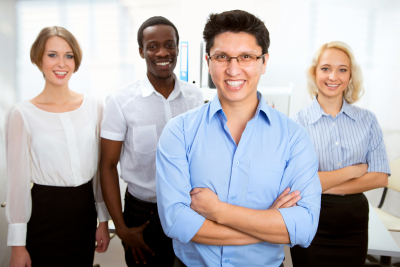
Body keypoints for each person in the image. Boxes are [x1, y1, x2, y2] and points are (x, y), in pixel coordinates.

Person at [156, 10, 322, 267]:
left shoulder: (294, 138)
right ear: (208, 61)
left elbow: (303, 228)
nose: (233, 70)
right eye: (222, 57)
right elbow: (177, 222)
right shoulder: (179, 132)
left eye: (246, 57)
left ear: (263, 62)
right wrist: (267, 222)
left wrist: (217, 211)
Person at [100, 16, 203, 267]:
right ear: (141, 51)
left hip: (189, 207)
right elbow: (107, 166)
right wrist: (122, 229)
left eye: (169, 44)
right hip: (143, 214)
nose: (162, 52)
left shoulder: (195, 97)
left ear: (178, 48)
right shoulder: (120, 101)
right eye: (153, 46)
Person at [5, 26, 110, 267]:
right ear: (38, 58)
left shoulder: (94, 107)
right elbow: (17, 184)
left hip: (84, 216)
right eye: (52, 54)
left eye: (68, 55)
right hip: (44, 217)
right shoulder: (21, 114)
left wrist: (103, 221)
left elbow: (99, 174)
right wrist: (18, 247)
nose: (61, 63)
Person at [289, 41, 390, 267]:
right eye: (325, 68)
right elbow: (297, 182)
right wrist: (354, 171)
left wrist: (319, 183)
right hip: (310, 217)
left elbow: (380, 177)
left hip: (353, 222)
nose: (333, 76)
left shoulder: (367, 120)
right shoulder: (297, 123)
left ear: (350, 75)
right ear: (314, 73)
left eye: (342, 69)